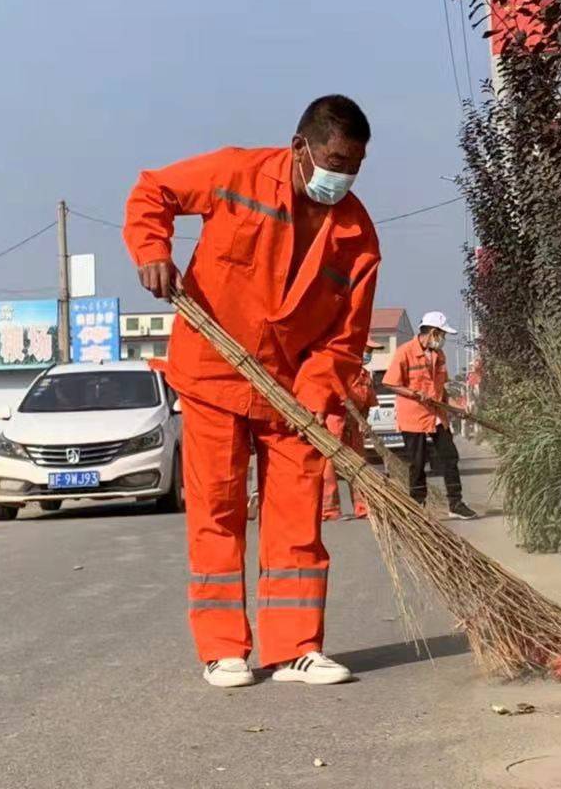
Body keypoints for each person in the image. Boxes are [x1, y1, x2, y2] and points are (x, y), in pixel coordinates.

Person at [122, 94, 379, 689]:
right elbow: (151, 192)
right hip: (213, 376)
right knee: (217, 512)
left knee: (297, 522)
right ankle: (223, 649)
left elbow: (346, 337)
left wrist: (314, 393)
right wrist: (153, 251)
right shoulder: (236, 173)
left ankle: (296, 650)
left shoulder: (357, 236)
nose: (344, 176)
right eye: (336, 160)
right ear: (300, 148)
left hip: (292, 397)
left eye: (356, 166)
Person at [384, 311, 478, 520]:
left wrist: (458, 408)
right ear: (434, 332)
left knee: (449, 456)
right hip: (414, 416)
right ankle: (417, 505)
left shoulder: (439, 356)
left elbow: (442, 391)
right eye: (442, 334)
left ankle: (456, 503)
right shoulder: (404, 352)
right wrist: (415, 394)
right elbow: (390, 382)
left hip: (437, 414)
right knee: (417, 462)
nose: (443, 339)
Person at [322, 366, 373, 521]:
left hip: (354, 426)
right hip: (334, 424)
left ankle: (362, 507)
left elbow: (368, 402)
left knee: (358, 466)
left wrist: (364, 420)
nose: (367, 354)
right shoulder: (334, 370)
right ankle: (329, 510)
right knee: (329, 468)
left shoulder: (365, 375)